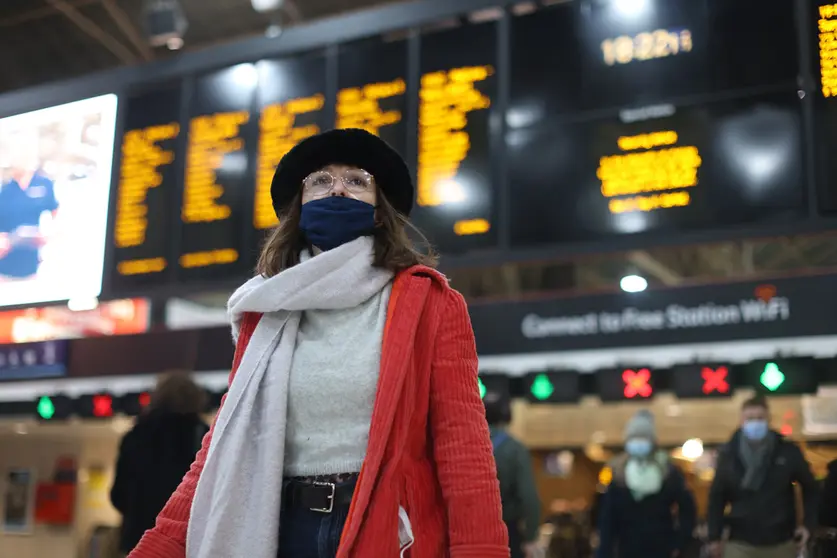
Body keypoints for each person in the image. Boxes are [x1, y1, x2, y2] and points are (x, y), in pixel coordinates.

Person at [128, 128, 509, 558]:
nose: (338, 189)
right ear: (300, 207)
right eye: (321, 181)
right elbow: (220, 451)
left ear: (380, 211)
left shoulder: (430, 304)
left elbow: (465, 452)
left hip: (383, 532)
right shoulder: (267, 310)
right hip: (279, 532)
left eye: (357, 180)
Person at [110, 372, 209, 556]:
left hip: (140, 540)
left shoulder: (135, 436)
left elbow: (118, 495)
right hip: (186, 542)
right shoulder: (204, 437)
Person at [707, 396, 818, 558]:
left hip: (781, 542)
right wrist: (714, 537)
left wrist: (808, 525)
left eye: (760, 418)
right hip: (740, 542)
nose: (755, 423)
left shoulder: (786, 451)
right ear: (742, 420)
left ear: (768, 419)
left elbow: (811, 488)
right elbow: (716, 498)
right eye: (750, 418)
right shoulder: (728, 455)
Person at [596, 410, 696, 558]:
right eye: (634, 438)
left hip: (661, 548)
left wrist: (679, 542)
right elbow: (607, 518)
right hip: (627, 549)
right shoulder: (618, 472)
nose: (638, 443)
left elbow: (688, 508)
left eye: (643, 438)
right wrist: (604, 551)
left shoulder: (667, 471)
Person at [487, 402, 542, 558]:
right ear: (507, 418)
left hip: (468, 530)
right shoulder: (515, 449)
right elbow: (528, 496)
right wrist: (531, 536)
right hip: (507, 531)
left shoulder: (465, 445)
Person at [0, 163, 58, 279]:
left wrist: (47, 235)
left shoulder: (43, 184)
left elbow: (54, 213)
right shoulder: (5, 189)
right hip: (4, 268)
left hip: (31, 266)